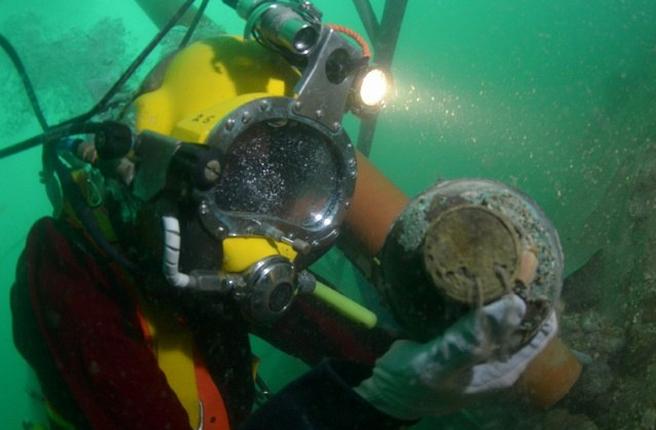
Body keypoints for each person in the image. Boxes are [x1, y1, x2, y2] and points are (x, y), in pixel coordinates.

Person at [10, 1, 581, 429]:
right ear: (163, 172)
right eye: (242, 182)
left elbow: (352, 349)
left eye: (296, 180)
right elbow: (369, 390)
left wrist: (445, 352)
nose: (274, 237)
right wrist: (375, 403)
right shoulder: (64, 271)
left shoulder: (223, 246)